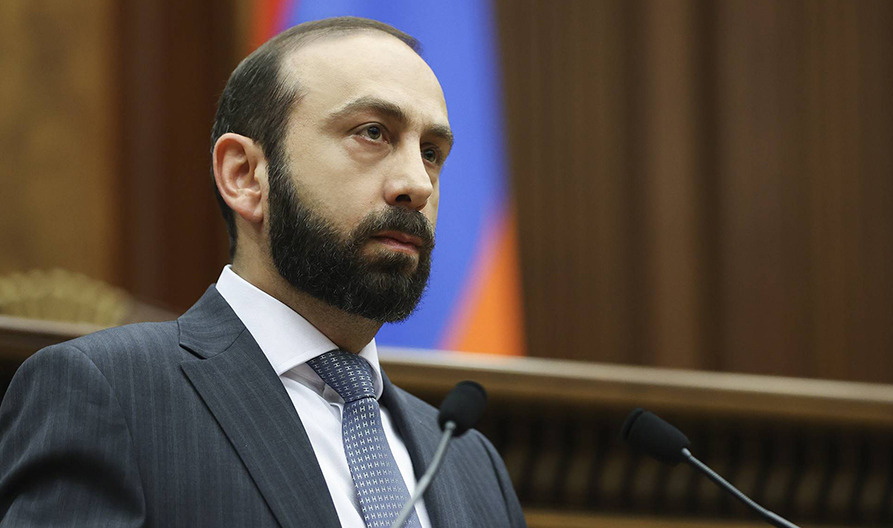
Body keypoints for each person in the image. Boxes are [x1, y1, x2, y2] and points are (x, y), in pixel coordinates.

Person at [0, 17, 526, 528]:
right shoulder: (112, 393)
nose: (418, 183)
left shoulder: (471, 463)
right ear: (246, 175)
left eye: (431, 152)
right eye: (372, 133)